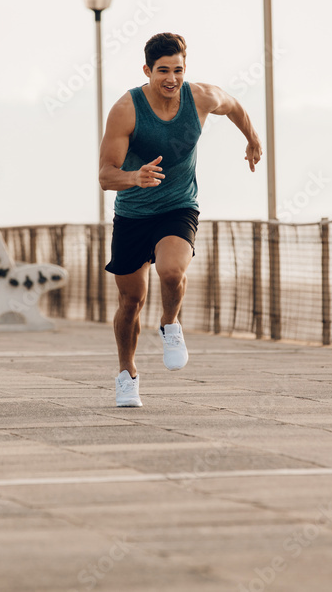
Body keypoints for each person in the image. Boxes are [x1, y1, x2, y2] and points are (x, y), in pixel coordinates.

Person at [99, 32, 262, 407]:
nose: (171, 79)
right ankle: (127, 373)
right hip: (133, 213)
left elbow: (234, 105)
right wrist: (133, 177)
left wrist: (252, 139)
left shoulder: (200, 97)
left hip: (178, 206)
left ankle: (170, 323)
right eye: (162, 71)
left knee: (172, 271)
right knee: (130, 301)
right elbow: (106, 175)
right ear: (147, 70)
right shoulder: (127, 108)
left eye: (178, 70)